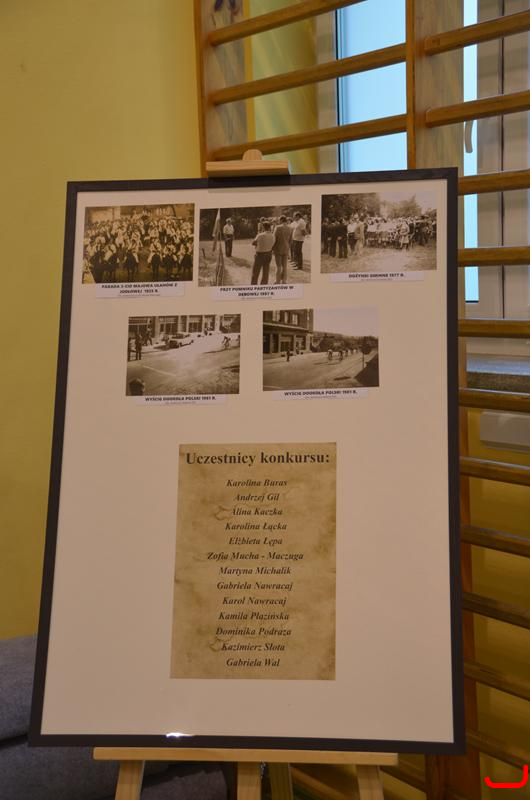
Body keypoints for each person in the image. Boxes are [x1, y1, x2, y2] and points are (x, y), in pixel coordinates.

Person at [272, 215, 293, 284]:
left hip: (278, 248)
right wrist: (288, 247)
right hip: (286, 248)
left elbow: (274, 239)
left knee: (278, 266)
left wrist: (272, 248)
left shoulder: (277, 227)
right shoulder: (290, 228)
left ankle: (277, 281)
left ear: (281, 220)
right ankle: (284, 280)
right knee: (285, 266)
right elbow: (291, 240)